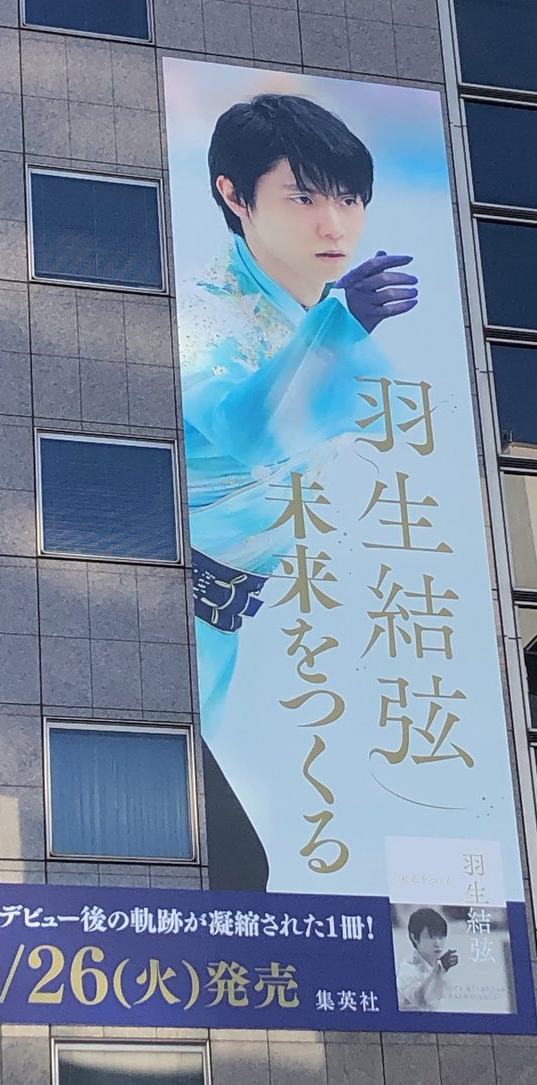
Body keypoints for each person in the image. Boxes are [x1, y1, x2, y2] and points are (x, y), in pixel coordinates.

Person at [176, 93, 419, 887]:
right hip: (152, 615)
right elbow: (247, 429)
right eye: (304, 197)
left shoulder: (304, 309)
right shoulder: (201, 310)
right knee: (222, 868)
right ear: (233, 195)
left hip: (218, 626)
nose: (333, 224)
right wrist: (344, 329)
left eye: (348, 199)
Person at [396, 907, 459, 1011]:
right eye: (430, 937)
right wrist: (439, 969)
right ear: (414, 938)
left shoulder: (441, 969)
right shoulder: (407, 969)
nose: (437, 943)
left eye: (440, 937)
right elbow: (422, 1000)